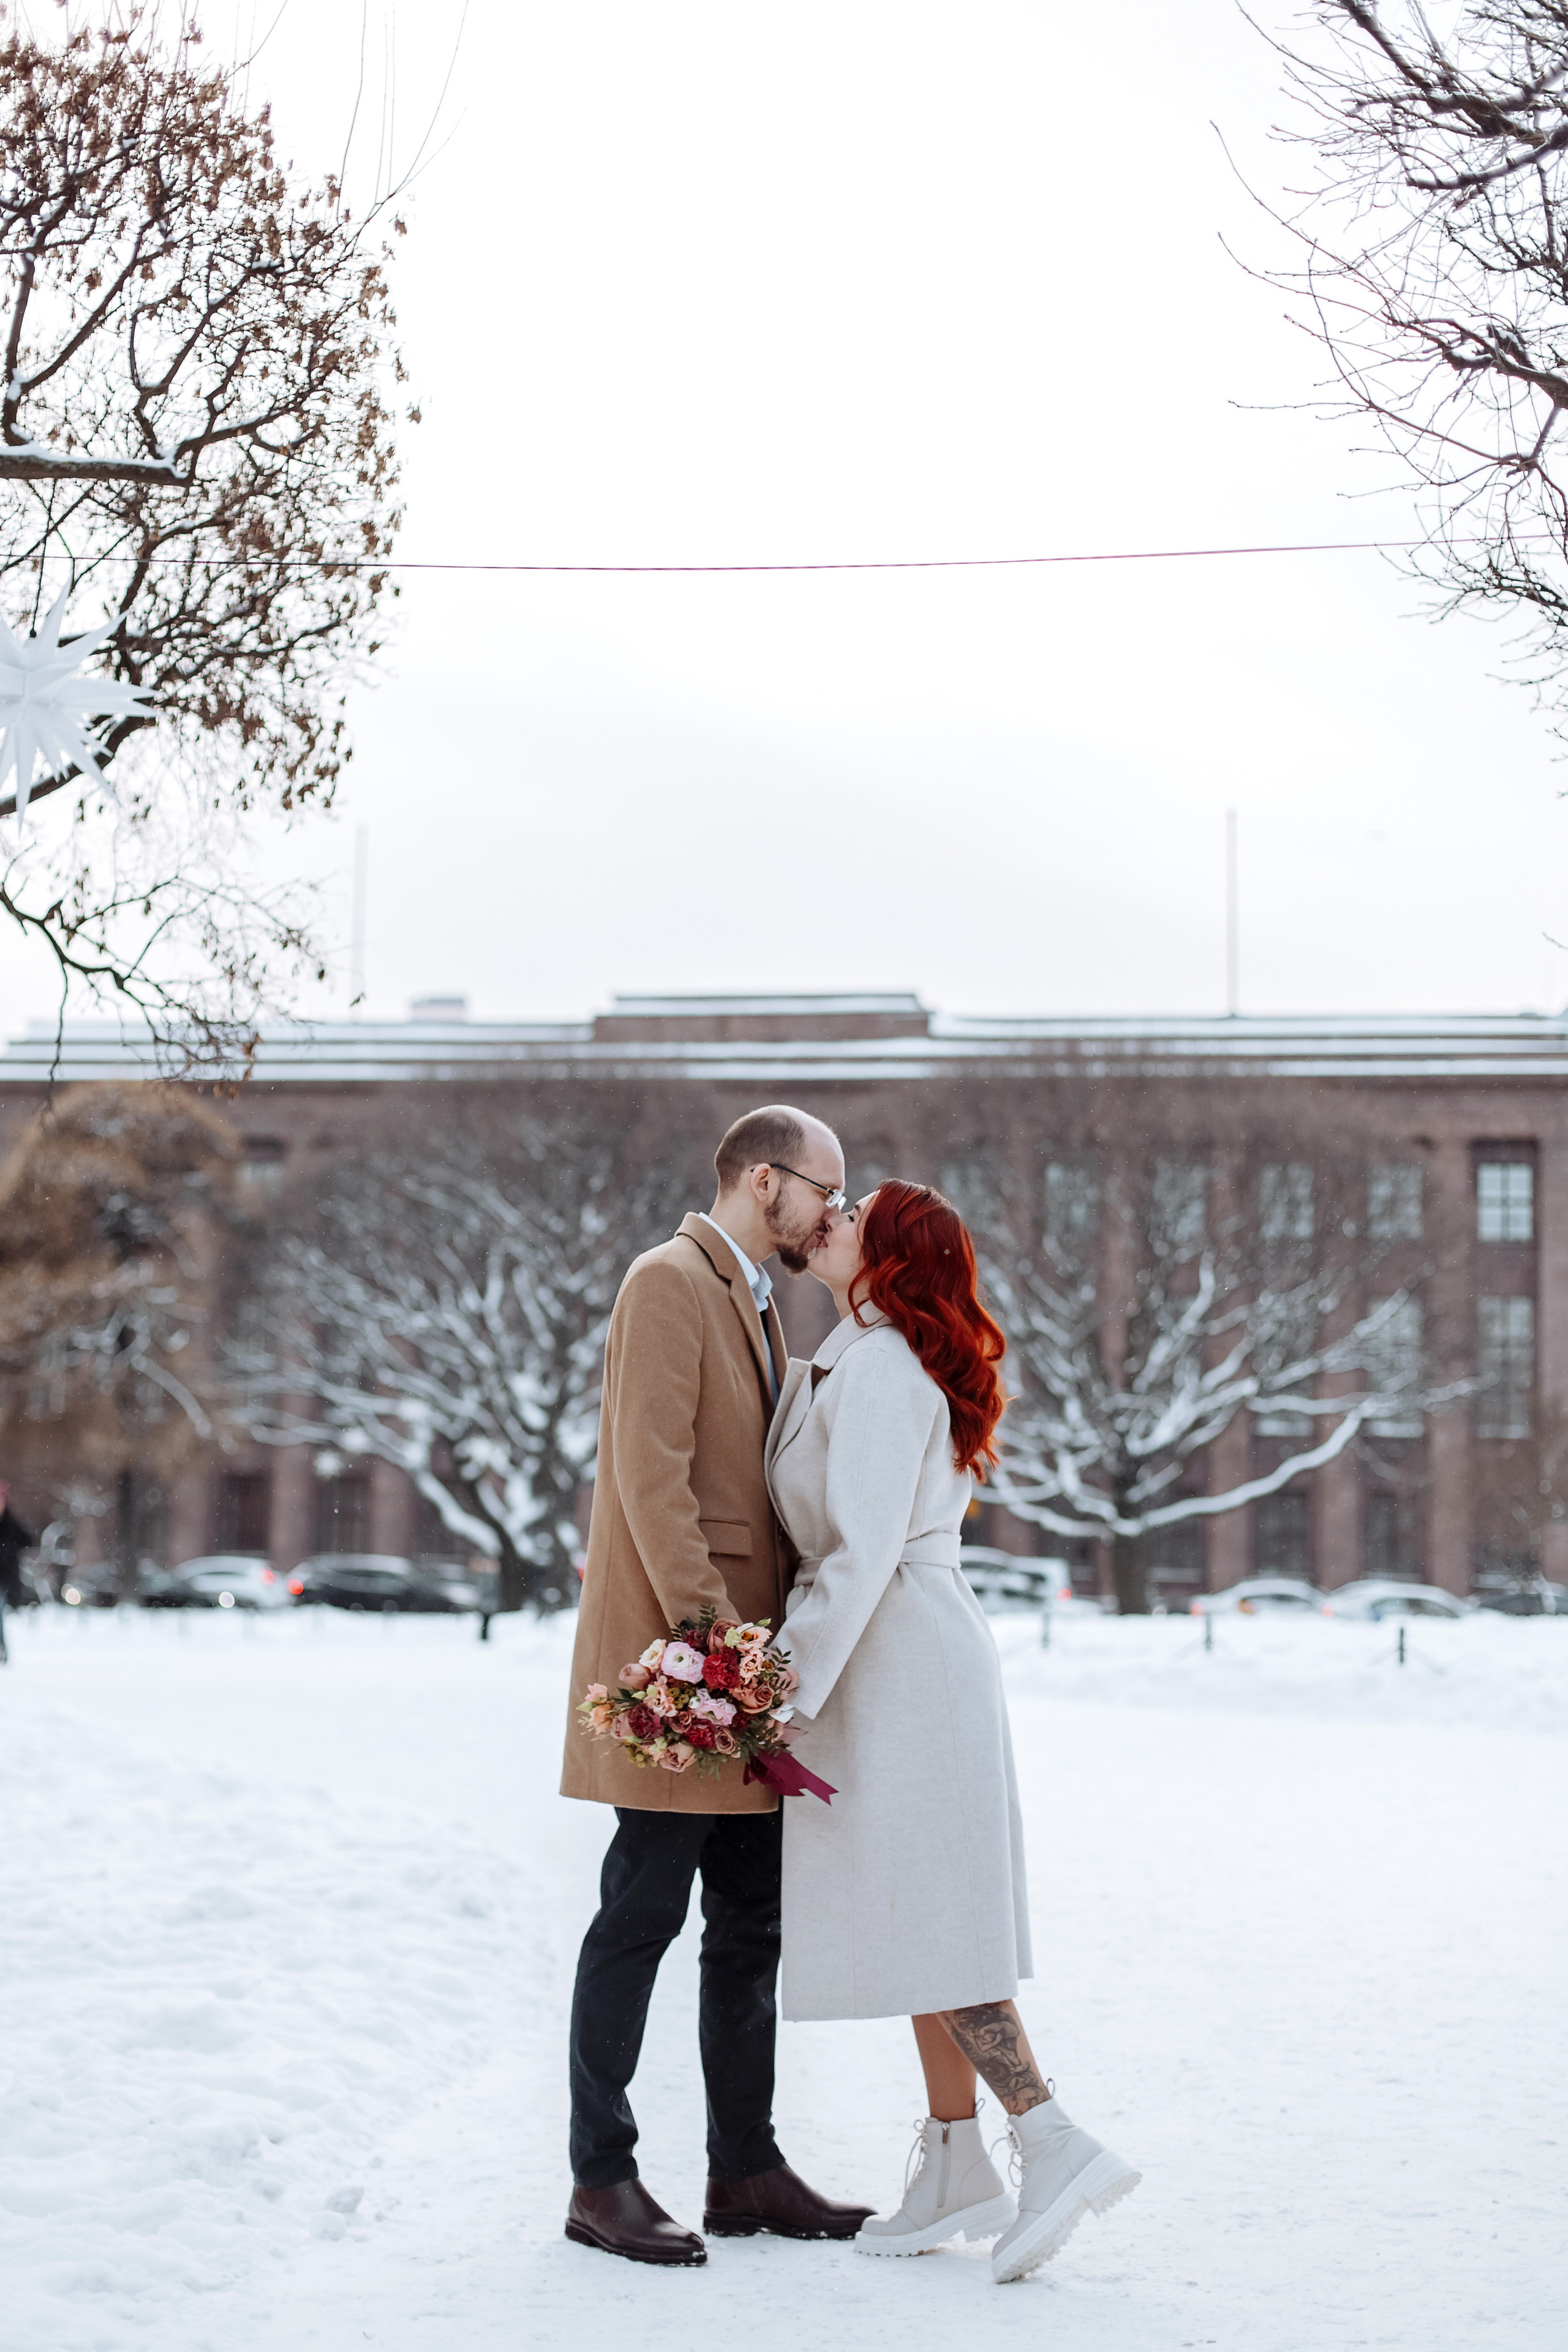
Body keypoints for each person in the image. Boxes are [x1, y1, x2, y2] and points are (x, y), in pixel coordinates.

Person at [766, 1180, 1141, 2284]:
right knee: (916, 1910)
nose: (827, 1220)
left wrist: (780, 1695)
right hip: (901, 1654)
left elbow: (858, 1553)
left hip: (902, 1658)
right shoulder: (868, 1353)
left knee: (934, 1912)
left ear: (889, 1260)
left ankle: (1050, 2136)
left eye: (850, 1217)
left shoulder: (882, 1367)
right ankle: (954, 2159)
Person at [560, 1105, 875, 2266]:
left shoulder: (752, 1295)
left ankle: (744, 2166)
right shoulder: (667, 1280)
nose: (835, 1214)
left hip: (740, 1683)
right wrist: (716, 1651)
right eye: (825, 1192)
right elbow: (654, 1487)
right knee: (640, 1918)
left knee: (750, 1924)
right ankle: (602, 2177)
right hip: (682, 1677)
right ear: (761, 1178)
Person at [0, 1480, 39, 1665]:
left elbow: (29, 1540)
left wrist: (9, 1548)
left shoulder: (12, 1524)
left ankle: (1, 1646)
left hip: (5, 1579)